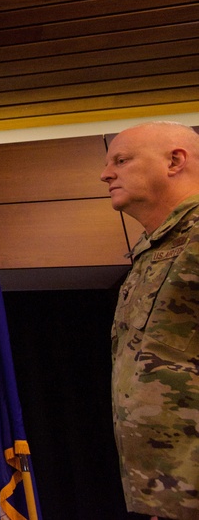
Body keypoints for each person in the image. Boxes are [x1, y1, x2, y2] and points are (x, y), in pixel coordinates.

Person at [100, 121, 199, 520]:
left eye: (121, 161)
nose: (106, 174)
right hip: (168, 495)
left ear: (175, 161)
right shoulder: (153, 249)